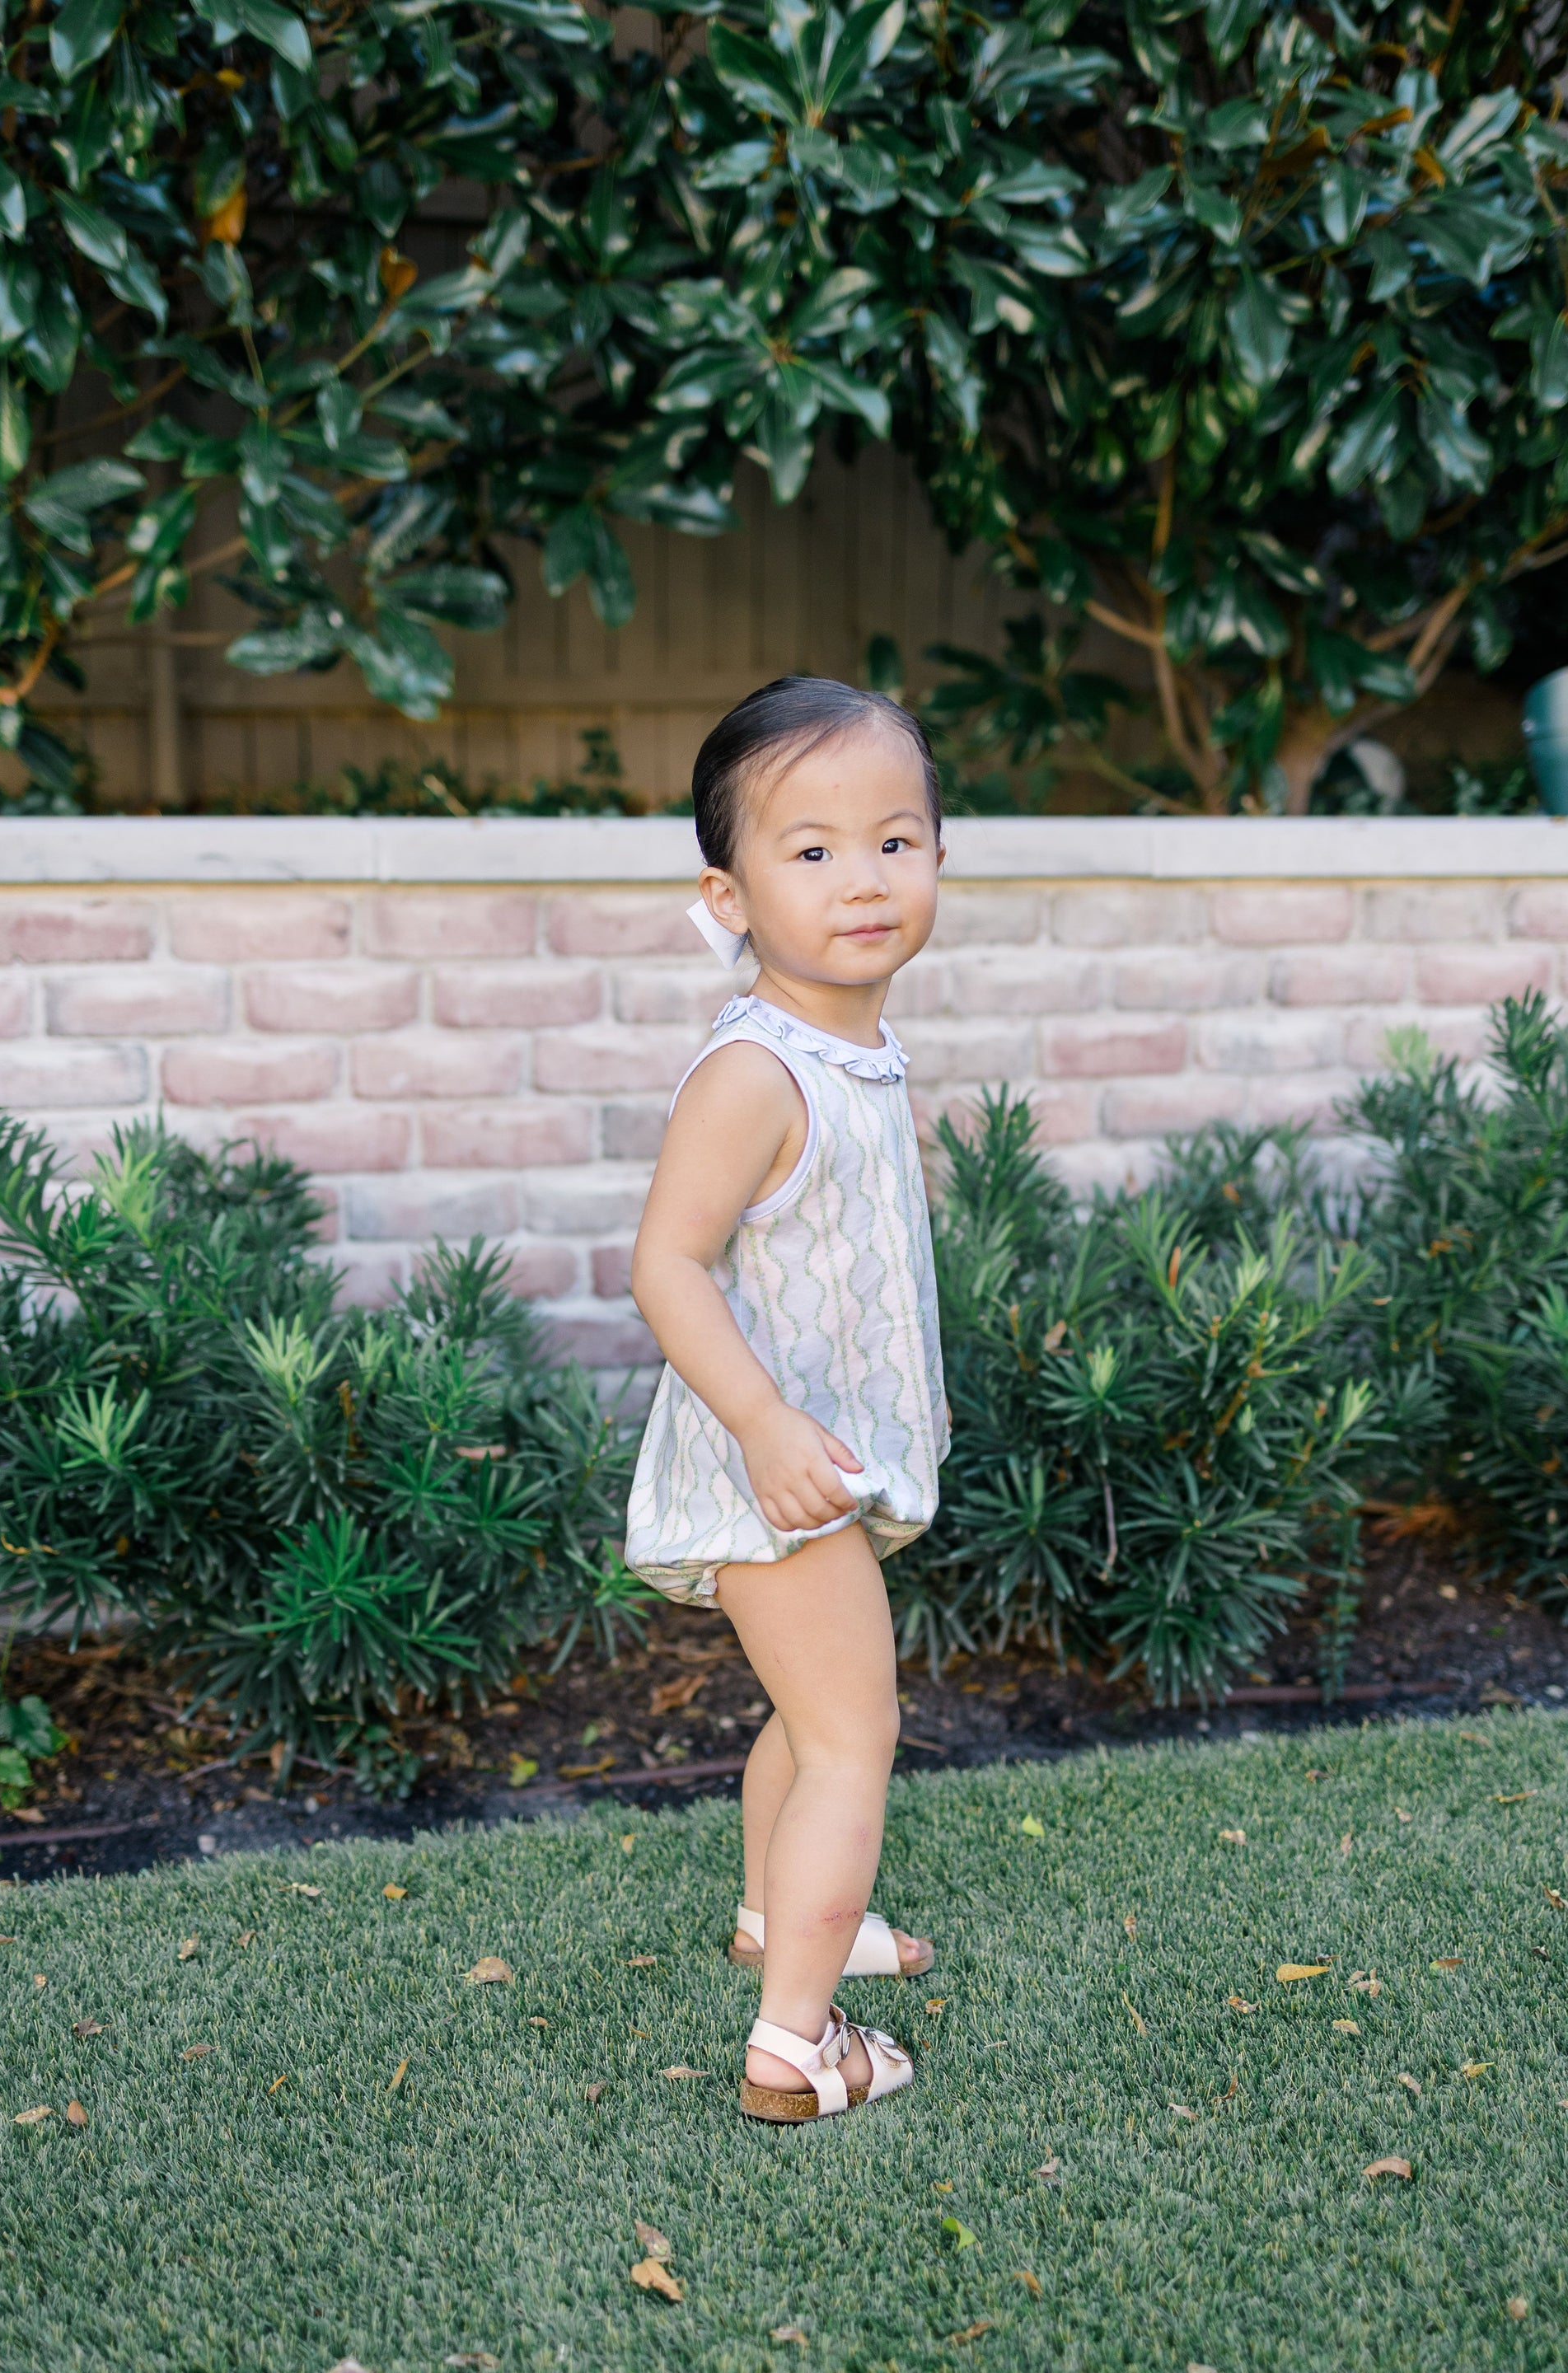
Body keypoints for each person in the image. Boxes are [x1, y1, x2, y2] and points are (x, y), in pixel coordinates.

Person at [627, 675, 948, 2123]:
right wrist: (763, 1425)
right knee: (850, 1742)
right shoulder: (755, 1072)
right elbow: (666, 1264)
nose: (863, 878)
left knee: (810, 1715)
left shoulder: (852, 1045)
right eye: (811, 850)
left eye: (894, 840)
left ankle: (777, 1914)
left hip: (827, 1458)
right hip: (774, 1464)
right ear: (731, 894)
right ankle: (796, 2045)